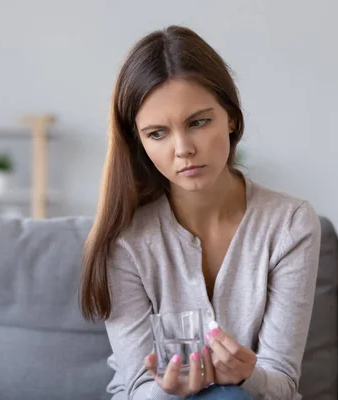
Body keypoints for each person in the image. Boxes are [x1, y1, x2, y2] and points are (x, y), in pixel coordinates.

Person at [79, 25, 321, 400]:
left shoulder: (289, 224)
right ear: (139, 143)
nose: (183, 149)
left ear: (232, 119)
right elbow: (135, 388)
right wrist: (167, 391)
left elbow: (282, 385)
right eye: (157, 133)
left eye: (198, 122)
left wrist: (246, 376)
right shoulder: (124, 240)